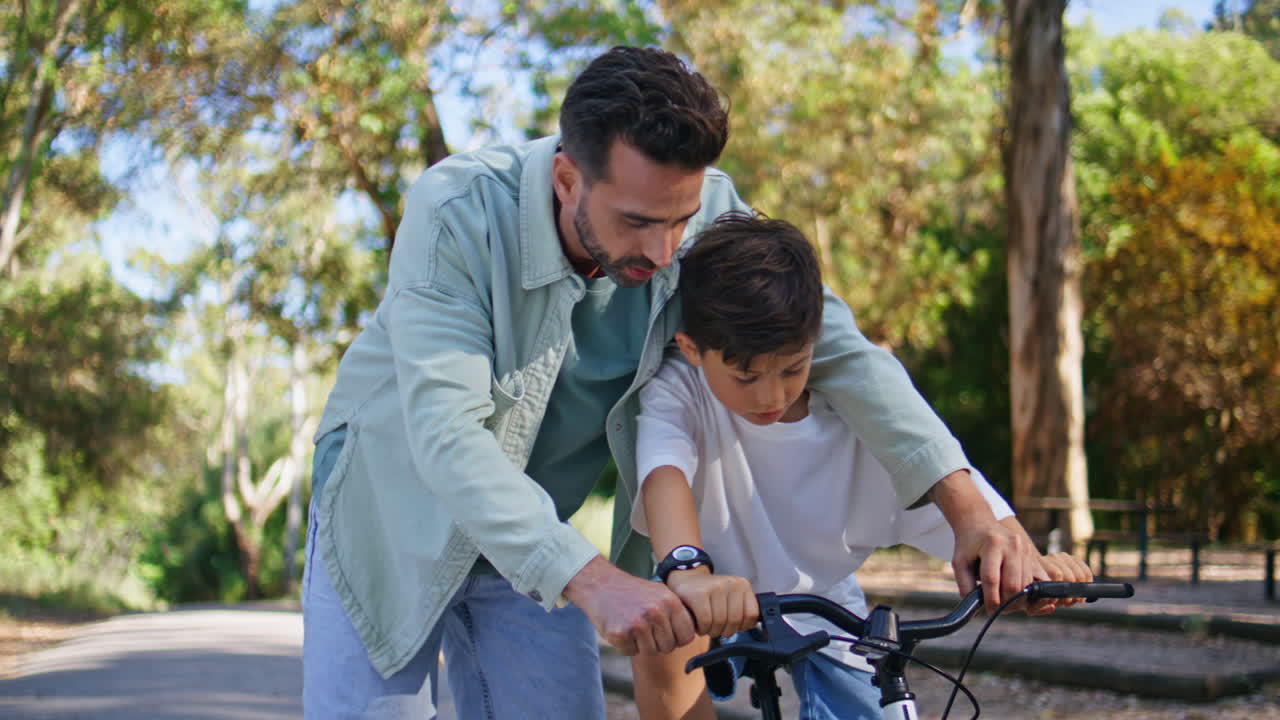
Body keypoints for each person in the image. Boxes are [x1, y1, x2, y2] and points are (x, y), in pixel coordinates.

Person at [302, 46, 1050, 719]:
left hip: (536, 529)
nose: (663, 252)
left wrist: (971, 512)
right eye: (635, 222)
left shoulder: (706, 217)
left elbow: (844, 353)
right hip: (391, 505)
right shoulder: (457, 211)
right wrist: (595, 581)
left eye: (679, 221)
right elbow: (446, 435)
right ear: (568, 178)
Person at [628, 211, 1092, 720]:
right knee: (664, 632)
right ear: (693, 349)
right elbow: (663, 469)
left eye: (792, 368)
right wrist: (687, 569)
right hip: (713, 594)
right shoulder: (679, 390)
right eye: (745, 375)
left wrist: (1027, 567)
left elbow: (964, 504)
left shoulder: (857, 419)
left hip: (821, 601)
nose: (773, 394)